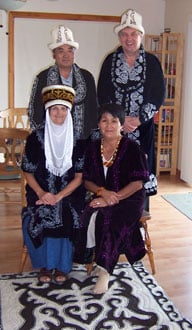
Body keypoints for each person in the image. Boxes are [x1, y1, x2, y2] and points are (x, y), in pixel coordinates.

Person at [74, 103, 149, 294]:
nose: (109, 125)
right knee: (89, 214)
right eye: (104, 120)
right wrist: (103, 193)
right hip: (103, 194)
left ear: (121, 124)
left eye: (114, 121)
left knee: (110, 219)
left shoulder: (132, 148)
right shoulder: (92, 148)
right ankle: (94, 259)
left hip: (130, 197)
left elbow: (138, 183)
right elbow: (87, 181)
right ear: (98, 124)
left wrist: (113, 198)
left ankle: (104, 271)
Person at [97, 9, 166, 212]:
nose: (129, 39)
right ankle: (113, 216)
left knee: (141, 172)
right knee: (114, 171)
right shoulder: (110, 61)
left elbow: (158, 94)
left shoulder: (152, 63)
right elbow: (103, 94)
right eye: (125, 34)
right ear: (119, 36)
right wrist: (120, 120)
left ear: (141, 36)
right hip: (113, 131)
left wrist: (138, 119)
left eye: (133, 34)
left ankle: (139, 215)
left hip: (143, 129)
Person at [21, 84, 85, 284]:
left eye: (63, 108)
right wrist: (41, 193)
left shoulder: (78, 140)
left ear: (69, 111)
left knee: (65, 214)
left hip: (69, 194)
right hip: (39, 192)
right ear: (48, 111)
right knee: (41, 215)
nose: (59, 113)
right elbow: (27, 171)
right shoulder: (35, 138)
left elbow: (79, 177)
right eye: (55, 108)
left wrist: (58, 196)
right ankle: (46, 266)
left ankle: (63, 267)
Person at [28, 25, 98, 143]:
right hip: (51, 142)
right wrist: (41, 139)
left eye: (70, 50)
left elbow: (94, 110)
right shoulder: (43, 78)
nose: (66, 55)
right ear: (53, 54)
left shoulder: (87, 77)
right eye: (60, 51)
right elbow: (34, 111)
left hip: (82, 142)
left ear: (74, 53)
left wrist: (93, 141)